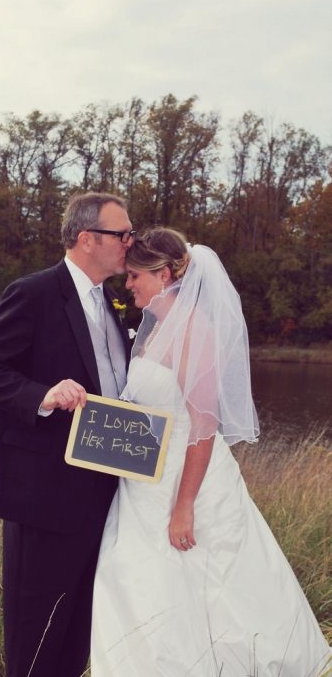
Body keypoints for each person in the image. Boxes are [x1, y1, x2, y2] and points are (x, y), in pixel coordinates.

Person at [91, 227, 331, 676]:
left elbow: (202, 429)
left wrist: (184, 505)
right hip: (144, 482)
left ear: (162, 274)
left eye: (135, 276)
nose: (129, 285)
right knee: (137, 577)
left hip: (187, 482)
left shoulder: (194, 332)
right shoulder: (156, 329)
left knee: (203, 580)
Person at [0, 192, 134, 677]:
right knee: (36, 637)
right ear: (86, 239)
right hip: (44, 495)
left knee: (78, 632)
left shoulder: (112, 301)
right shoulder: (34, 293)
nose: (130, 242)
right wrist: (43, 394)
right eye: (121, 234)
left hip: (105, 493)